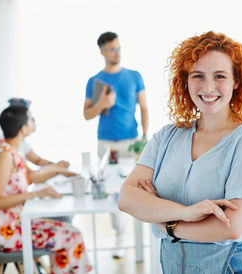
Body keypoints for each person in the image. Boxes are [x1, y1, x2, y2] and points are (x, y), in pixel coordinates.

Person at [118, 31, 242, 273]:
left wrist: (164, 222)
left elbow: (233, 226)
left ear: (237, 81)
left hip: (229, 264)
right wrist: (186, 213)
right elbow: (127, 198)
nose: (208, 87)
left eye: (219, 76)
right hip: (173, 262)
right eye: (198, 76)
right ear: (185, 81)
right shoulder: (167, 136)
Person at [0, 105, 92, 273]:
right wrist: (36, 193)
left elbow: (32, 177)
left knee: (69, 231)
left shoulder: (12, 152)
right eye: (31, 119)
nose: (34, 122)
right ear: (23, 129)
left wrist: (58, 170)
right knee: (72, 235)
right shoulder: (4, 156)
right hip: (6, 233)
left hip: (18, 222)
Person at [83, 31, 149, 258]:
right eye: (112, 49)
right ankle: (120, 239)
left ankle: (142, 244)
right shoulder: (94, 81)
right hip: (106, 144)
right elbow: (87, 115)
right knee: (113, 191)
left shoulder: (134, 75)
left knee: (139, 188)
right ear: (102, 51)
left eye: (119, 48)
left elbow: (144, 106)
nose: (117, 52)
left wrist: (145, 136)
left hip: (132, 141)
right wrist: (103, 102)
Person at [7, 97, 74, 178]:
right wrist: (57, 169)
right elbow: (31, 176)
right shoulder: (7, 151)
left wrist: (57, 166)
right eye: (31, 119)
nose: (34, 121)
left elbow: (37, 160)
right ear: (22, 125)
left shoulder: (20, 143)